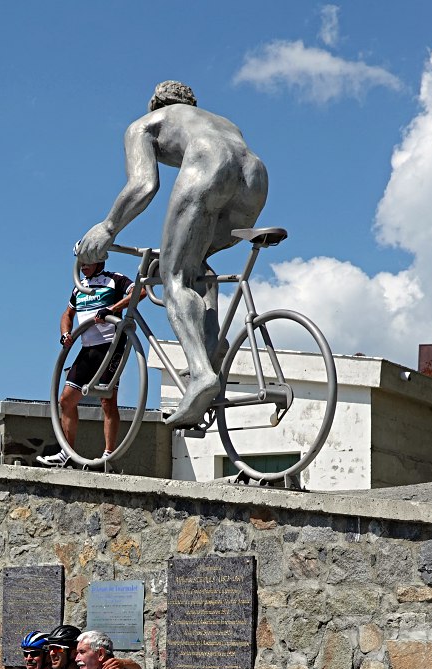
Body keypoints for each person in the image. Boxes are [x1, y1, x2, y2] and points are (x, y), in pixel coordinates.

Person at [74, 80, 269, 429]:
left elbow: (144, 185)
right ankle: (210, 350)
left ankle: (200, 373)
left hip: (211, 162)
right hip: (254, 174)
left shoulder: (145, 125)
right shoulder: (218, 120)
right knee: (196, 267)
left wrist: (107, 227)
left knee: (173, 274)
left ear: (155, 104)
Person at [38, 246, 141, 467]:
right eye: (80, 263)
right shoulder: (79, 288)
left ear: (99, 261)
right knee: (65, 400)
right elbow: (67, 314)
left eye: (87, 262)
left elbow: (139, 292)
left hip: (111, 346)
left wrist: (112, 309)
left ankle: (108, 455)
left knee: (107, 400)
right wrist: (65, 334)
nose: (83, 266)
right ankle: (67, 453)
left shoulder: (114, 280)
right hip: (87, 348)